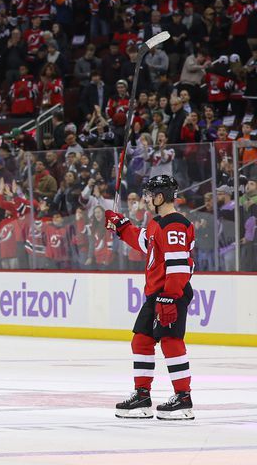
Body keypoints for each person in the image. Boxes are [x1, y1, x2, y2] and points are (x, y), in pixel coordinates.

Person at [108, 174, 196, 421]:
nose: (145, 199)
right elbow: (145, 242)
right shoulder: (158, 223)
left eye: (149, 195)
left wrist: (170, 297)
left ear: (160, 197)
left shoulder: (175, 224)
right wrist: (122, 225)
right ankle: (142, 396)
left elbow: (178, 265)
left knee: (170, 341)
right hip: (156, 294)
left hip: (170, 293)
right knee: (142, 340)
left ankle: (183, 398)